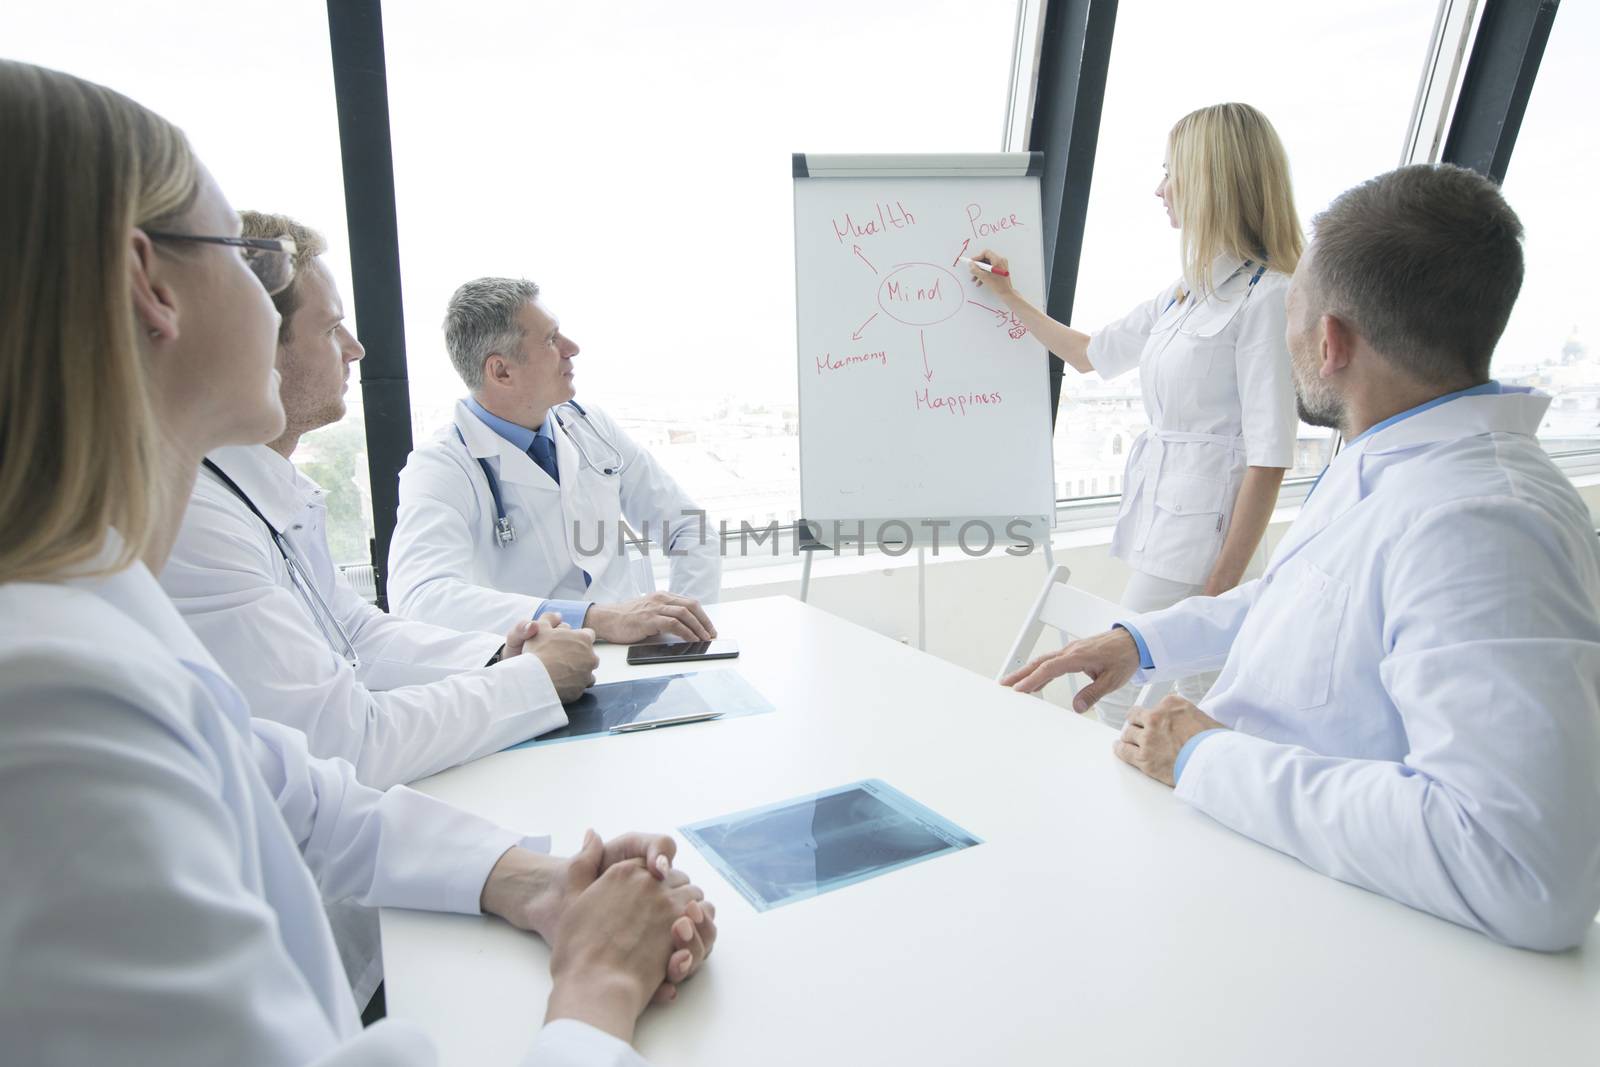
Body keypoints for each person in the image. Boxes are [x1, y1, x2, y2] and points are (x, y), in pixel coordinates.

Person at [0, 60, 714, 1064]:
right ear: (147, 284)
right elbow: (350, 718)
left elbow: (298, 786)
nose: (350, 343)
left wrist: (533, 878)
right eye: (242, 255)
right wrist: (595, 989)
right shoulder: (52, 710)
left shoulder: (96, 593)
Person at [1002, 163, 1600, 951]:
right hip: (1244, 860)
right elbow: (1301, 597)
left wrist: (1206, 756)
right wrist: (1141, 642)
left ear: (1331, 342)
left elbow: (1523, 868)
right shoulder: (1386, 455)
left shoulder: (1484, 526)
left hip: (1317, 934)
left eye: (1293, 312)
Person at [157, 212, 602, 1004]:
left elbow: (355, 634)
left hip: (367, 904)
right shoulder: (192, 519)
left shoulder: (265, 492)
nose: (358, 350)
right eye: (331, 329)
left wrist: (502, 654)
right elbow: (343, 739)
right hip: (300, 955)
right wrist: (530, 679)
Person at [976, 102, 1301, 729]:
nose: (1160, 188)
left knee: (1113, 690)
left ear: (1212, 180)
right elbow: (1091, 354)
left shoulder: (1270, 297)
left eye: (1171, 172)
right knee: (1192, 697)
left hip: (1206, 545)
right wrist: (1008, 297)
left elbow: (1269, 460)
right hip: (1165, 518)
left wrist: (1218, 594)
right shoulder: (1186, 292)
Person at [388, 276, 723, 643]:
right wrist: (596, 619)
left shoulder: (589, 426)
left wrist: (685, 635)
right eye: (550, 339)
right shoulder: (441, 466)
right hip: (536, 674)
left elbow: (689, 527)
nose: (572, 347)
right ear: (501, 371)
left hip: (636, 659)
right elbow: (419, 598)